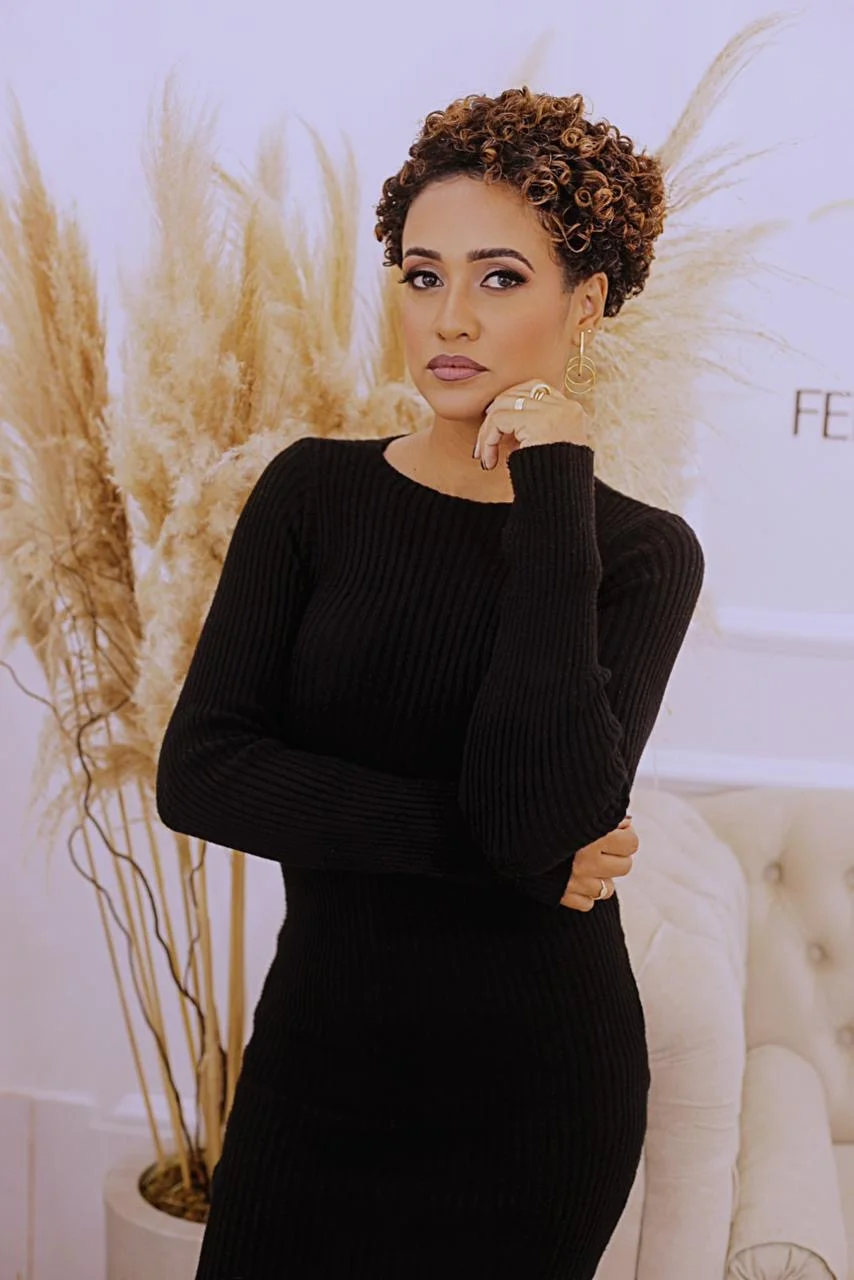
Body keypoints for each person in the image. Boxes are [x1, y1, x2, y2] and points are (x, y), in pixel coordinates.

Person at [156, 85, 705, 1280]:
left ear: (585, 302)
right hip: (316, 1067)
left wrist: (554, 484)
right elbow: (201, 773)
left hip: (531, 1098)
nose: (448, 316)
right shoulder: (312, 493)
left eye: (499, 277)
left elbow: (538, 808)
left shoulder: (638, 552)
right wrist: (509, 857)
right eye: (420, 274)